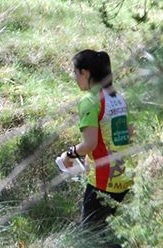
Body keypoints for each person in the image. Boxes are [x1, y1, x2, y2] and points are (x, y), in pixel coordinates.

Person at [60, 50, 133, 233]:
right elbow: (129, 133)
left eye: (75, 73)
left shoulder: (89, 101)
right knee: (114, 235)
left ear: (85, 73)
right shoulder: (117, 97)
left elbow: (89, 144)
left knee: (90, 237)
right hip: (124, 178)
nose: (74, 78)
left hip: (102, 182)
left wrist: (68, 156)